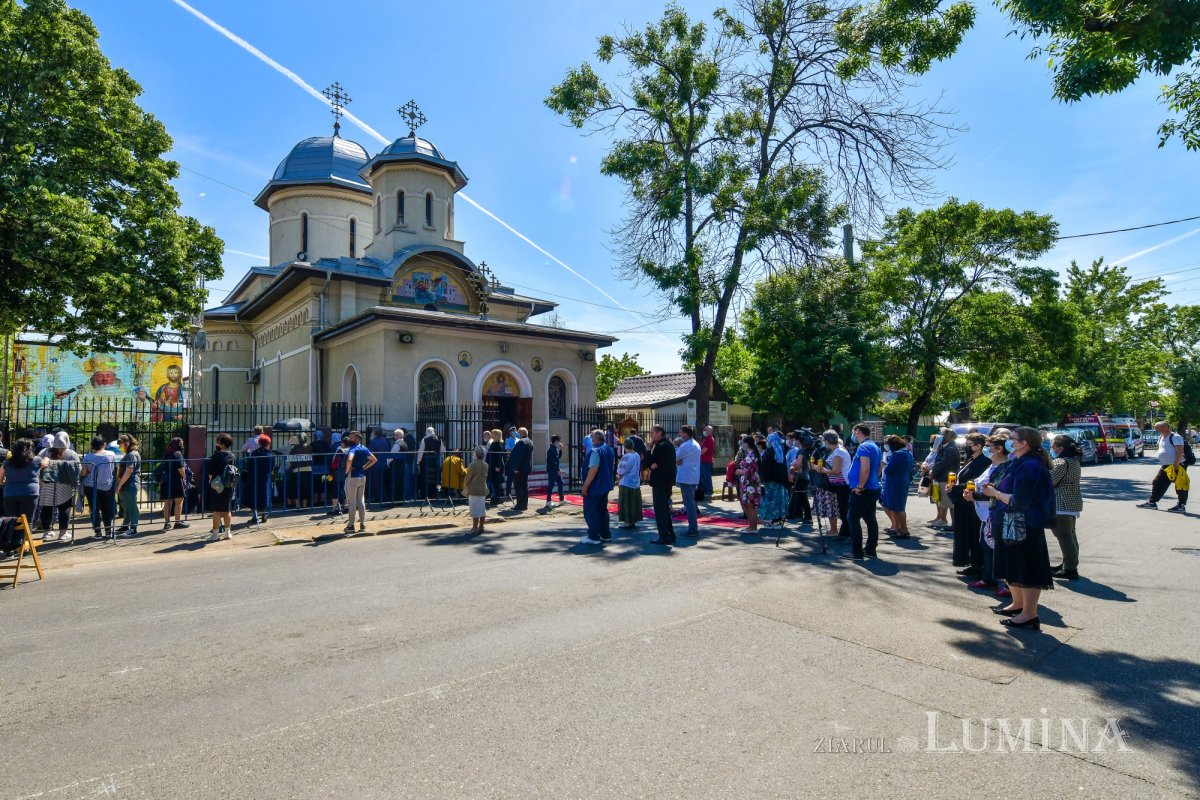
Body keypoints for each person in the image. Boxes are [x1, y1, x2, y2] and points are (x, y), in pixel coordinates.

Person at [980, 427, 1055, 630]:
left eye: (1012, 439)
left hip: (1025, 525)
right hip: (1010, 523)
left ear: (1023, 443)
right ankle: (1018, 604)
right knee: (1012, 565)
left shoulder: (1030, 465)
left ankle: (1029, 614)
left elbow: (1019, 501)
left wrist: (995, 493)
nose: (1008, 442)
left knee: (1027, 568)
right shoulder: (1019, 462)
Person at [965, 433, 1014, 595]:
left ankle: (1004, 584)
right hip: (986, 514)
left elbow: (996, 491)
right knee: (985, 546)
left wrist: (975, 495)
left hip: (997, 513)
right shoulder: (992, 465)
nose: (986, 449)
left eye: (989, 447)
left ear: (999, 449)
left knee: (998, 549)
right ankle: (988, 578)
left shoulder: (1006, 467)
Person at [840, 424, 882, 561]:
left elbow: (865, 468)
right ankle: (870, 549)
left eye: (853, 431)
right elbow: (880, 467)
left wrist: (860, 486)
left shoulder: (863, 447)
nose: (852, 435)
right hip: (872, 488)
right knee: (870, 519)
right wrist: (873, 480)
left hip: (863, 490)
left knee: (852, 518)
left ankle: (856, 552)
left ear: (858, 431)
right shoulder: (875, 446)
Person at [951, 432, 991, 577]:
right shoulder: (972, 459)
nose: (966, 447)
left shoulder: (983, 461)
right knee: (967, 535)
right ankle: (973, 563)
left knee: (974, 535)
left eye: (969, 444)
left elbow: (974, 482)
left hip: (971, 504)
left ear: (978, 446)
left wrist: (956, 488)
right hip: (963, 503)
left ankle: (978, 565)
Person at [1049, 433, 1084, 580]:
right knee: (1070, 535)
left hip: (1060, 504)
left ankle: (1070, 567)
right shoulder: (1074, 461)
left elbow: (1050, 481)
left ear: (1060, 448)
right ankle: (1068, 563)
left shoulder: (1061, 462)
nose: (1051, 449)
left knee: (1064, 536)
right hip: (1072, 502)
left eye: (1053, 446)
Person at [0, 439, 41, 556]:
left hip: (10, 493)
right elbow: (45, 463)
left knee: (11, 520)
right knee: (27, 521)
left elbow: (0, 476)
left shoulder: (7, 463)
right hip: (30, 493)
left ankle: (9, 548)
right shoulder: (36, 460)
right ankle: (24, 547)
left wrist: (4, 483)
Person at [38, 432, 81, 542]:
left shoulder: (46, 451)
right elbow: (78, 469)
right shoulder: (71, 454)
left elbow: (38, 464)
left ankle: (47, 532)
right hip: (64, 484)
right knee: (64, 508)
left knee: (46, 507)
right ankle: (63, 533)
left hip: (47, 483)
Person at [1137, 420, 1188, 513]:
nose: (1155, 428)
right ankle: (1152, 503)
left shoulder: (1175, 437)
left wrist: (1176, 464)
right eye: (1155, 427)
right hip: (1166, 465)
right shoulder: (1161, 436)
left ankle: (1181, 506)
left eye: (1157, 427)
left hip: (1177, 465)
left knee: (1180, 485)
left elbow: (1180, 451)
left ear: (1166, 427)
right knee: (1157, 482)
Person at [812, 430, 850, 538]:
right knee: (842, 509)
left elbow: (836, 470)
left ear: (828, 440)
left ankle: (847, 533)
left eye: (824, 440)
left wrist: (821, 470)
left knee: (844, 509)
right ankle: (844, 532)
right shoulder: (836, 451)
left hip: (843, 484)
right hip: (838, 484)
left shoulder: (839, 452)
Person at [579, 429, 614, 545]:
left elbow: (593, 470)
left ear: (596, 438)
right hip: (605, 485)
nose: (590, 438)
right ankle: (605, 535)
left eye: (592, 436)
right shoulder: (608, 449)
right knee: (603, 511)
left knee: (591, 511)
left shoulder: (595, 451)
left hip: (595, 486)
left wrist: (585, 486)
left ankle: (593, 536)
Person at [80, 434, 118, 540]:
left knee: (94, 509)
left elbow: (83, 472)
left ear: (93, 445)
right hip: (107, 484)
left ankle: (97, 532)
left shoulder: (88, 457)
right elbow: (114, 468)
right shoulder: (111, 454)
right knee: (107, 508)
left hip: (91, 486)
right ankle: (108, 531)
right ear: (104, 444)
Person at [645, 425, 677, 545]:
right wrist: (653, 464)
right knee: (665, 508)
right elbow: (652, 464)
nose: (651, 435)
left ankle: (663, 535)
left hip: (660, 482)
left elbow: (649, 463)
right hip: (666, 481)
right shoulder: (667, 444)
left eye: (653, 433)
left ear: (659, 433)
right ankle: (669, 533)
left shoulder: (661, 446)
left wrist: (648, 449)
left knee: (660, 510)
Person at [204, 432, 237, 541]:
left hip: (217, 486)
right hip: (229, 486)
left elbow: (210, 472)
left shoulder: (216, 456)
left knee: (216, 511)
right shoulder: (232, 456)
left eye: (218, 441)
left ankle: (215, 534)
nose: (217, 443)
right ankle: (228, 533)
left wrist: (212, 482)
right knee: (227, 510)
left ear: (222, 444)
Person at [343, 431, 376, 534]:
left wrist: (347, 470)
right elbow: (374, 459)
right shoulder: (364, 448)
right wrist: (364, 467)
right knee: (361, 501)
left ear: (357, 438)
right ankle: (362, 524)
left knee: (352, 502)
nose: (350, 439)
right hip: (362, 477)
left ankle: (351, 525)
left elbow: (349, 459)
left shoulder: (353, 449)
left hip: (352, 477)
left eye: (352, 437)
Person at [880, 435, 913, 538]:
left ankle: (904, 530)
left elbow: (888, 469)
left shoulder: (897, 454)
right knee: (896, 506)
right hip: (902, 481)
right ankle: (899, 528)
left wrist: (884, 465)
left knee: (898, 507)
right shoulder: (907, 453)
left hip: (895, 482)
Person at [928, 428, 961, 529]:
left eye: (941, 434)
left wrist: (933, 473)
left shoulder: (950, 448)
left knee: (949, 502)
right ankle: (943, 519)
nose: (939, 436)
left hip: (946, 478)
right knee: (942, 500)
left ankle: (953, 524)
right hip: (942, 477)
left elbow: (943, 464)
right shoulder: (945, 447)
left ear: (947, 436)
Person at [674, 425, 702, 536]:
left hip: (686, 477)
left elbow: (675, 457)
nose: (679, 434)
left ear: (686, 433)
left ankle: (693, 528)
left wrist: (676, 449)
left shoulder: (686, 445)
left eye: (680, 432)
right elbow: (679, 459)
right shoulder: (695, 443)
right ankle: (693, 527)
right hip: (692, 476)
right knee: (690, 503)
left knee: (689, 504)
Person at [757, 431, 789, 528]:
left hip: (772, 480)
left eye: (769, 440)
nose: (768, 441)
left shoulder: (772, 451)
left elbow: (766, 466)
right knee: (778, 500)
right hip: (779, 480)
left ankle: (775, 521)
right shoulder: (779, 450)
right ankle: (777, 520)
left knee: (773, 501)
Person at [158, 437, 189, 531]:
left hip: (166, 481)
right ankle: (177, 522)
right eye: (181, 444)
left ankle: (167, 523)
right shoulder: (178, 454)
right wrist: (185, 478)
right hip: (176, 480)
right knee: (179, 502)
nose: (182, 446)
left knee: (167, 503)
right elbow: (181, 469)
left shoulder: (167, 454)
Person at [114, 434, 141, 538]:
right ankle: (125, 525)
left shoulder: (132, 454)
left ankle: (133, 528)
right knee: (126, 506)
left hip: (130, 484)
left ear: (127, 444)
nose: (120, 447)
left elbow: (129, 470)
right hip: (126, 484)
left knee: (131, 506)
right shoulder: (128, 454)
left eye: (121, 445)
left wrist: (120, 485)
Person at [244, 434, 275, 523]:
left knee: (255, 495)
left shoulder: (254, 453)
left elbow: (249, 465)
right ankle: (264, 516)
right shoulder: (270, 454)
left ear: (259, 443)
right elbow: (272, 467)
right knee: (265, 495)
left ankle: (255, 516)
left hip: (255, 477)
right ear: (268, 443)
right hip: (265, 478)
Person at [735, 435, 762, 533]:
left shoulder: (752, 454)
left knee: (750, 505)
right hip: (747, 483)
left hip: (750, 483)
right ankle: (751, 526)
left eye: (743, 442)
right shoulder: (751, 453)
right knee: (746, 504)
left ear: (746, 443)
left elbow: (749, 471)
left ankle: (753, 527)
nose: (742, 444)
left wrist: (739, 471)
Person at [616, 440, 643, 529]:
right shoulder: (637, 455)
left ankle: (627, 522)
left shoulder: (627, 456)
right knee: (633, 502)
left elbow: (622, 470)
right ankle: (633, 521)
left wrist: (618, 478)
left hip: (626, 482)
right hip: (635, 481)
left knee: (626, 502)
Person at [787, 432, 813, 524]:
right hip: (805, 476)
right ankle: (803, 516)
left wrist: (792, 468)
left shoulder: (801, 451)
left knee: (802, 497)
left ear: (798, 441)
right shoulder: (807, 451)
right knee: (802, 497)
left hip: (800, 477)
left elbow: (799, 464)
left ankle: (807, 517)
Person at [465, 444, 490, 536]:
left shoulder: (472, 465)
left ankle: (474, 528)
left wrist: (466, 484)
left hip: (474, 489)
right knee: (482, 508)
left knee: (474, 509)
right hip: (483, 488)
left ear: (476, 454)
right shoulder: (486, 465)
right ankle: (481, 527)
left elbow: (467, 478)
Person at [508, 427, 534, 511]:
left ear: (521, 433)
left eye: (518, 432)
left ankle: (519, 505)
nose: (516, 433)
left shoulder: (521, 442)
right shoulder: (529, 441)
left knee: (519, 487)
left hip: (520, 469)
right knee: (524, 486)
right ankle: (524, 505)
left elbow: (519, 457)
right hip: (525, 468)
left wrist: (516, 468)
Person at [416, 426, 444, 500]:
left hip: (426, 462)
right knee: (434, 479)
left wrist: (418, 462)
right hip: (435, 462)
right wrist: (438, 456)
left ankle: (425, 495)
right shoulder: (439, 440)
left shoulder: (424, 440)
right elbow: (443, 451)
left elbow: (420, 452)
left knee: (425, 478)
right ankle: (433, 495)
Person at [289, 433, 313, 509]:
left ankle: (297, 505)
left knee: (296, 487)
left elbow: (290, 459)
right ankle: (305, 505)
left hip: (297, 469)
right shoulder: (309, 447)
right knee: (305, 487)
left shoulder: (294, 447)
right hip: (307, 469)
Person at [486, 428, 507, 504]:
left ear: (496, 435)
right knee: (491, 482)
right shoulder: (493, 443)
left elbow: (499, 456)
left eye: (493, 433)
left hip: (495, 467)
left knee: (495, 483)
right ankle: (493, 496)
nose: (491, 435)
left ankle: (496, 498)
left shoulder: (499, 444)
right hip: (491, 466)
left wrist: (498, 466)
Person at [545, 434, 565, 507]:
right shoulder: (551, 450)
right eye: (558, 441)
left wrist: (560, 450)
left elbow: (558, 458)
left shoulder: (554, 448)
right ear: (556, 441)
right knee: (551, 485)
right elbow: (553, 462)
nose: (559, 442)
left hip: (555, 469)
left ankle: (561, 500)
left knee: (560, 483)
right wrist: (557, 470)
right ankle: (548, 501)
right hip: (552, 470)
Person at [698, 425, 715, 501]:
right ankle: (705, 492)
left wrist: (695, 454)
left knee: (706, 477)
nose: (704, 431)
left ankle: (708, 492)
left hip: (705, 461)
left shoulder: (709, 439)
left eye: (705, 429)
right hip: (705, 461)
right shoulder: (707, 439)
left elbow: (703, 451)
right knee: (703, 477)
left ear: (709, 431)